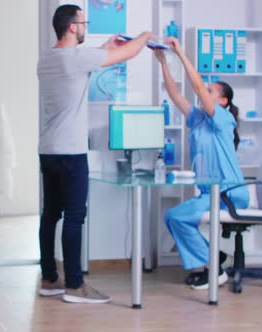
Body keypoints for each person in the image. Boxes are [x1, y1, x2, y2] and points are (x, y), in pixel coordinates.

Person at [37, 4, 155, 304]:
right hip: (71, 152)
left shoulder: (48, 58)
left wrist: (105, 47)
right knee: (75, 216)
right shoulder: (77, 57)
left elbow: (83, 65)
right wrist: (145, 36)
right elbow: (128, 54)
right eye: (84, 22)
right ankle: (75, 285)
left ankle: (49, 278)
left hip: (48, 150)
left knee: (51, 214)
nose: (86, 26)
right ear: (73, 27)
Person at [155, 37, 249, 290]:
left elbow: (196, 88)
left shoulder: (223, 119)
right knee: (173, 217)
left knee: (176, 216)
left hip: (229, 193)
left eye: (211, 91)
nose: (203, 92)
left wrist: (181, 53)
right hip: (211, 193)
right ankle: (213, 260)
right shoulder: (198, 118)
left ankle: (213, 268)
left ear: (223, 102)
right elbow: (175, 94)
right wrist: (163, 61)